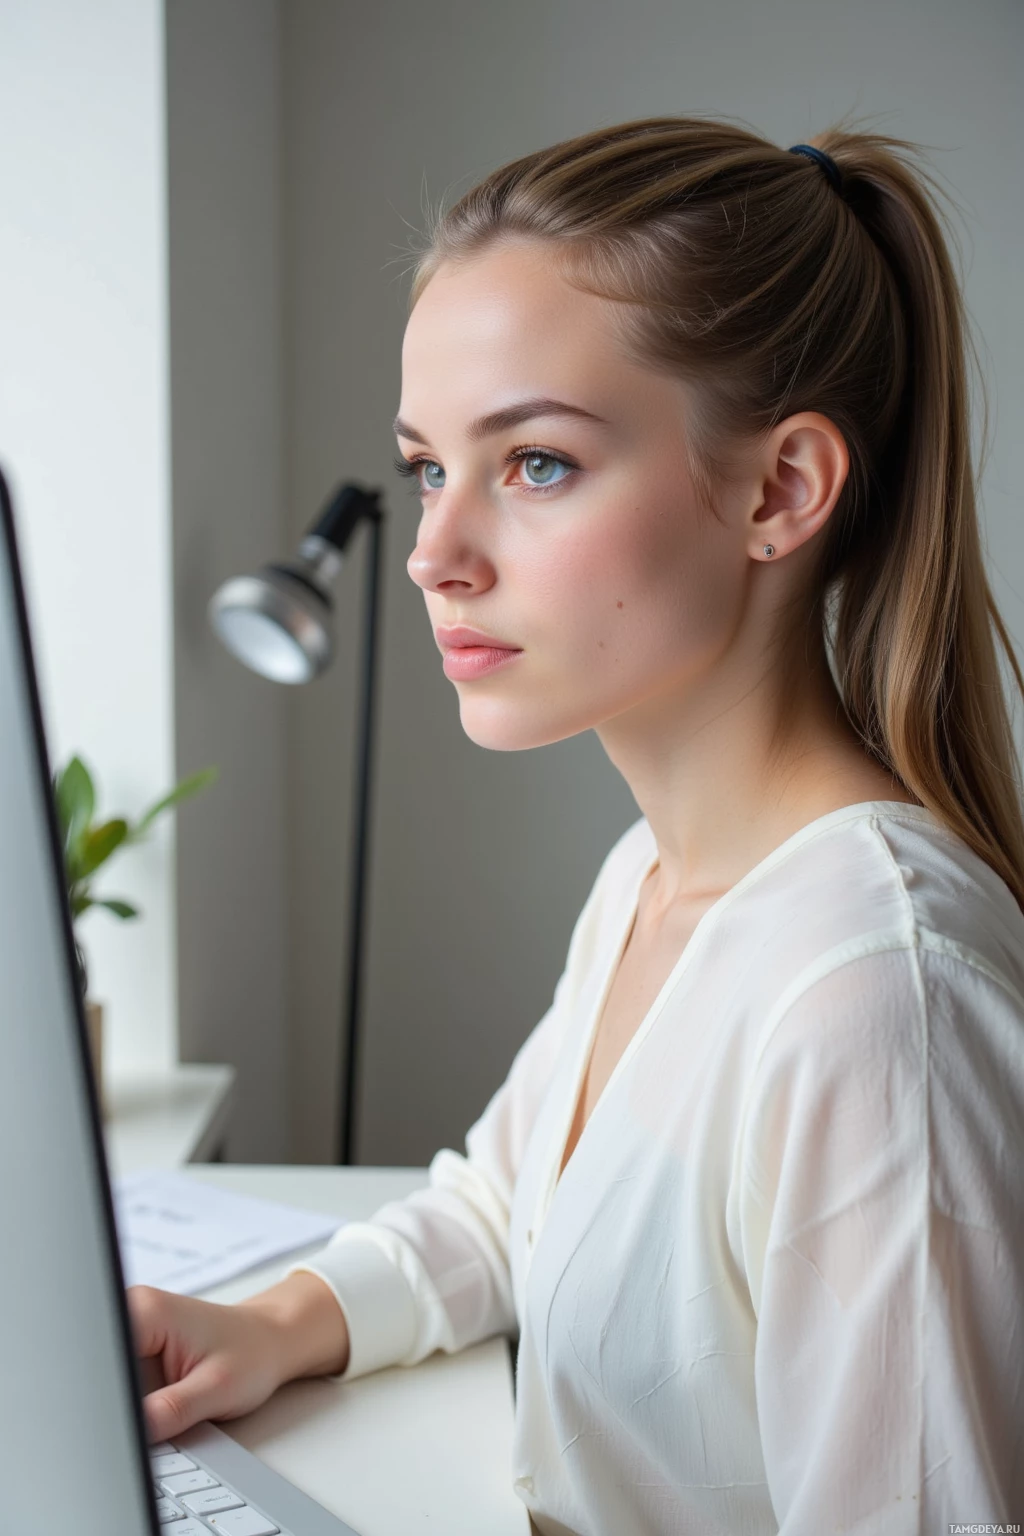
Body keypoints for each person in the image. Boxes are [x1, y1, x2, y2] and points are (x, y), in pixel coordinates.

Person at [129, 116, 1024, 1534]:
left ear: (779, 490)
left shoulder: (872, 1000)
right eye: (430, 466)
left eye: (534, 462)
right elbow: (513, 1202)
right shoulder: (659, 880)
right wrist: (279, 1320)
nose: (433, 553)